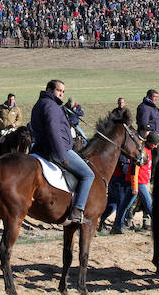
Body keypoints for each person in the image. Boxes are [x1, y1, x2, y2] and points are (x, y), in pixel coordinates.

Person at [30, 79, 94, 225]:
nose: (61, 94)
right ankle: (77, 210)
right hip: (57, 148)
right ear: (49, 89)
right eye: (59, 90)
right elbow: (54, 131)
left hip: (40, 147)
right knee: (88, 174)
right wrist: (62, 154)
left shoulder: (40, 104)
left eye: (63, 91)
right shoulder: (51, 106)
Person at [117, 131, 159, 232]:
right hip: (138, 182)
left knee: (125, 205)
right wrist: (135, 186)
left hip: (142, 181)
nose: (156, 146)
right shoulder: (142, 151)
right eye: (155, 144)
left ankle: (118, 225)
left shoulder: (147, 150)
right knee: (149, 204)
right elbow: (134, 169)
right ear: (150, 143)